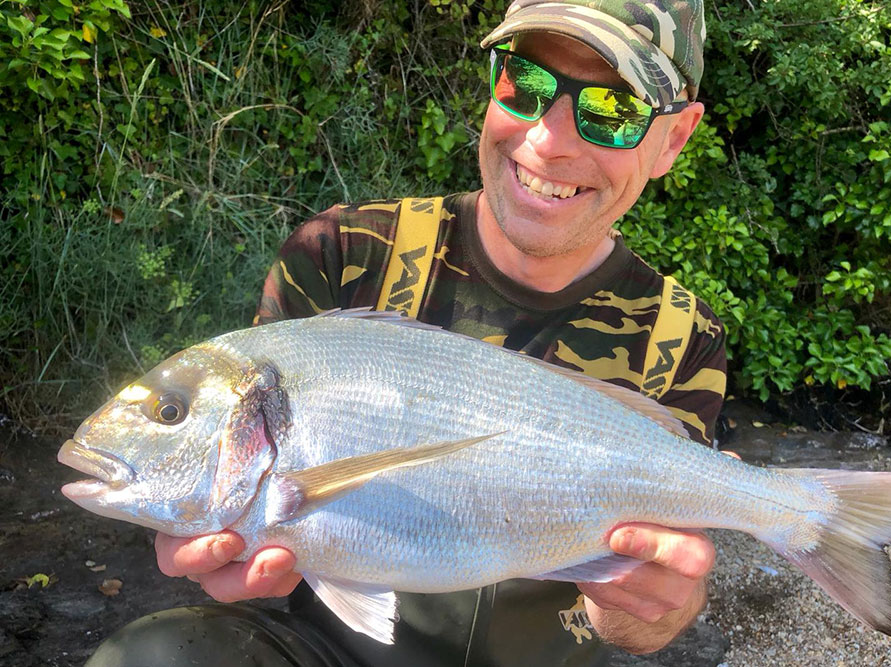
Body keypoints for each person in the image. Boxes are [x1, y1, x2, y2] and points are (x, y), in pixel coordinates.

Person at [85, 1, 728, 665]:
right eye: (525, 81)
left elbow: (641, 612)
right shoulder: (341, 252)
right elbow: (253, 494)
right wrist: (219, 541)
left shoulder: (683, 338)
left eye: (613, 110)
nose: (546, 138)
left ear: (673, 140)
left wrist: (652, 606)